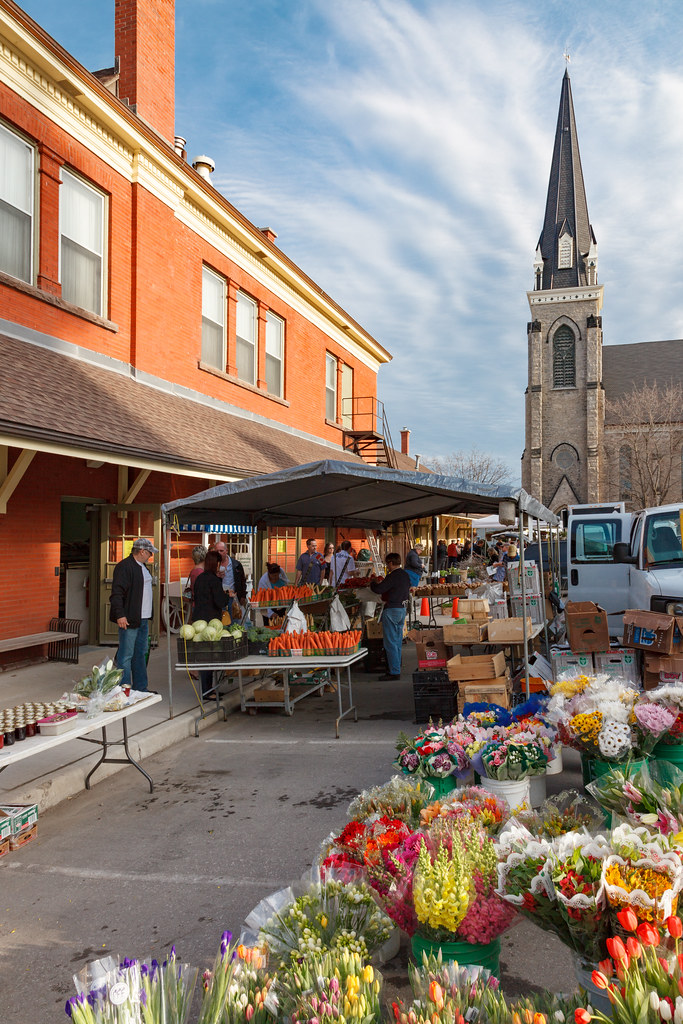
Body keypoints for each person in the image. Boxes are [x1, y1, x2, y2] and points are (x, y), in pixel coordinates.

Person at [109, 537, 158, 693]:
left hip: (142, 618)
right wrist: (120, 615)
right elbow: (117, 593)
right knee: (126, 655)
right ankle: (124, 690)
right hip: (130, 618)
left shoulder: (142, 566)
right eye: (150, 553)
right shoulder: (125, 566)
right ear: (142, 551)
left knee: (140, 654)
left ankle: (140, 688)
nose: (151, 556)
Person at [192, 549, 231, 699]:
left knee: (204, 657)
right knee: (210, 657)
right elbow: (220, 601)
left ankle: (209, 689)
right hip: (211, 622)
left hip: (199, 620)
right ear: (217, 564)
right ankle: (208, 692)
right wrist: (227, 595)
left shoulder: (201, 578)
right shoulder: (214, 581)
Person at [370, 552, 411, 680]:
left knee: (391, 643)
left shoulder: (393, 576)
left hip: (392, 610)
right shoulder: (405, 575)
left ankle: (394, 672)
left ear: (391, 563)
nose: (387, 566)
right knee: (397, 641)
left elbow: (379, 589)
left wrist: (373, 582)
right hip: (402, 610)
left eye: (387, 564)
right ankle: (396, 667)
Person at [213, 541, 247, 614]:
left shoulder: (236, 564)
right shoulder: (213, 565)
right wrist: (216, 576)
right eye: (217, 551)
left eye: (221, 551)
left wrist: (243, 596)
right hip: (219, 599)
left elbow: (242, 580)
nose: (219, 553)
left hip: (234, 598)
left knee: (235, 620)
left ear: (226, 551)